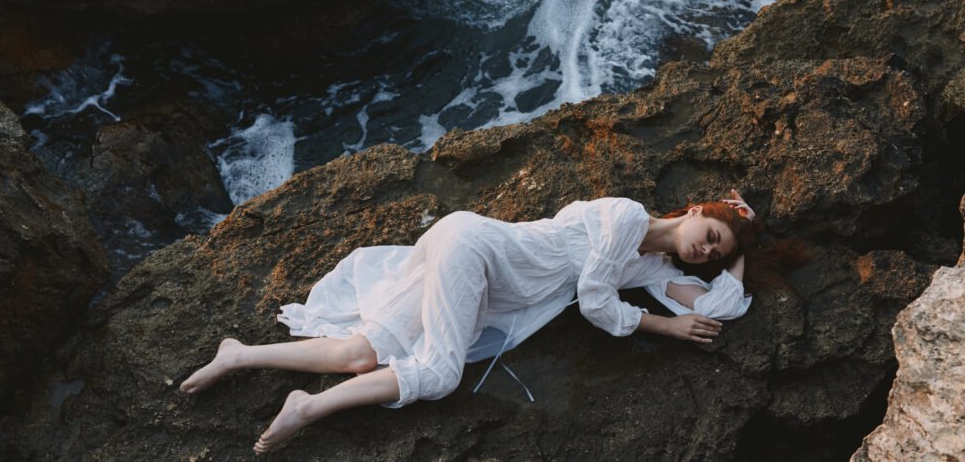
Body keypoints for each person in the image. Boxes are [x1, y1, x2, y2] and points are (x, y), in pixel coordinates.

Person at [180, 189, 770, 454]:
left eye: (713, 253)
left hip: (476, 272)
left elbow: (715, 308)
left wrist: (740, 249)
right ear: (695, 210)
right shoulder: (626, 216)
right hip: (475, 250)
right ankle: (306, 407)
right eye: (710, 233)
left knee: (360, 354)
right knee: (439, 375)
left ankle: (238, 354)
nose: (704, 250)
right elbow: (595, 303)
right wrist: (661, 327)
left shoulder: (646, 266)